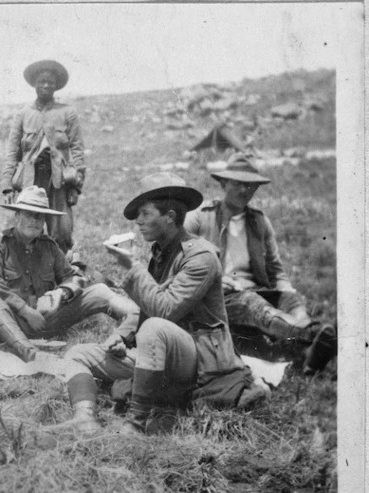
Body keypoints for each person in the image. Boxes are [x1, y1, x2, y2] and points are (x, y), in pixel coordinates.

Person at [55, 172, 265, 436]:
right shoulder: (161, 252)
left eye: (145, 214)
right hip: (161, 353)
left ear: (170, 216)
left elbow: (165, 310)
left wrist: (133, 267)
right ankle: (84, 418)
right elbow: (146, 307)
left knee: (154, 327)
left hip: (200, 361)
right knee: (78, 353)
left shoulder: (201, 256)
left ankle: (135, 424)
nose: (138, 222)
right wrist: (122, 336)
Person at [184, 152, 336, 375]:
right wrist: (216, 278)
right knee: (253, 304)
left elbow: (275, 268)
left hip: (259, 290)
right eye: (238, 184)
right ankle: (317, 336)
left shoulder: (259, 221)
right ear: (224, 183)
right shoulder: (200, 217)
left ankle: (310, 353)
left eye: (251, 186)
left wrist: (286, 292)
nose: (244, 191)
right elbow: (181, 260)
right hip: (219, 296)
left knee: (290, 300)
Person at [0, 186, 139, 363]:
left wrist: (62, 292)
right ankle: (32, 355)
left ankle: (140, 323)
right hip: (12, 321)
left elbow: (72, 275)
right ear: (17, 216)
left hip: (46, 321)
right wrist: (25, 310)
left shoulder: (48, 246)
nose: (35, 220)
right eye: (29, 214)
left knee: (100, 291)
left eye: (40, 216)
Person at [2, 60, 85, 255]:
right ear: (34, 85)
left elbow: (77, 150)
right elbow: (13, 151)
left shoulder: (67, 112)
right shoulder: (23, 114)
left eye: (50, 82)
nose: (46, 85)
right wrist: (7, 185)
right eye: (42, 82)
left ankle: (63, 274)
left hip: (59, 182)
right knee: (26, 231)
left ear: (56, 85)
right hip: (30, 180)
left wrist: (77, 185)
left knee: (62, 233)